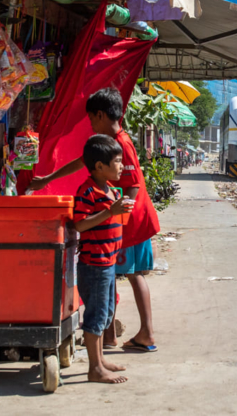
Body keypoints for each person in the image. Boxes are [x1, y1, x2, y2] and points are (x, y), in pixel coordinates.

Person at [30, 88, 161, 352]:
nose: (91, 125)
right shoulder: (109, 141)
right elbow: (83, 161)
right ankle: (109, 335)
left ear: (101, 115)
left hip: (130, 220)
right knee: (113, 275)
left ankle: (146, 333)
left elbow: (134, 184)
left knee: (132, 274)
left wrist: (120, 215)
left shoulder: (121, 143)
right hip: (121, 218)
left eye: (91, 119)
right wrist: (47, 179)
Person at [73, 134, 132, 384]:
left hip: (107, 263)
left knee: (106, 313)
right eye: (117, 161)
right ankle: (95, 368)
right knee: (96, 316)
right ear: (99, 166)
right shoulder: (88, 191)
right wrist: (111, 211)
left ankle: (100, 359)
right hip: (94, 265)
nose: (121, 166)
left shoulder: (108, 189)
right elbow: (80, 224)